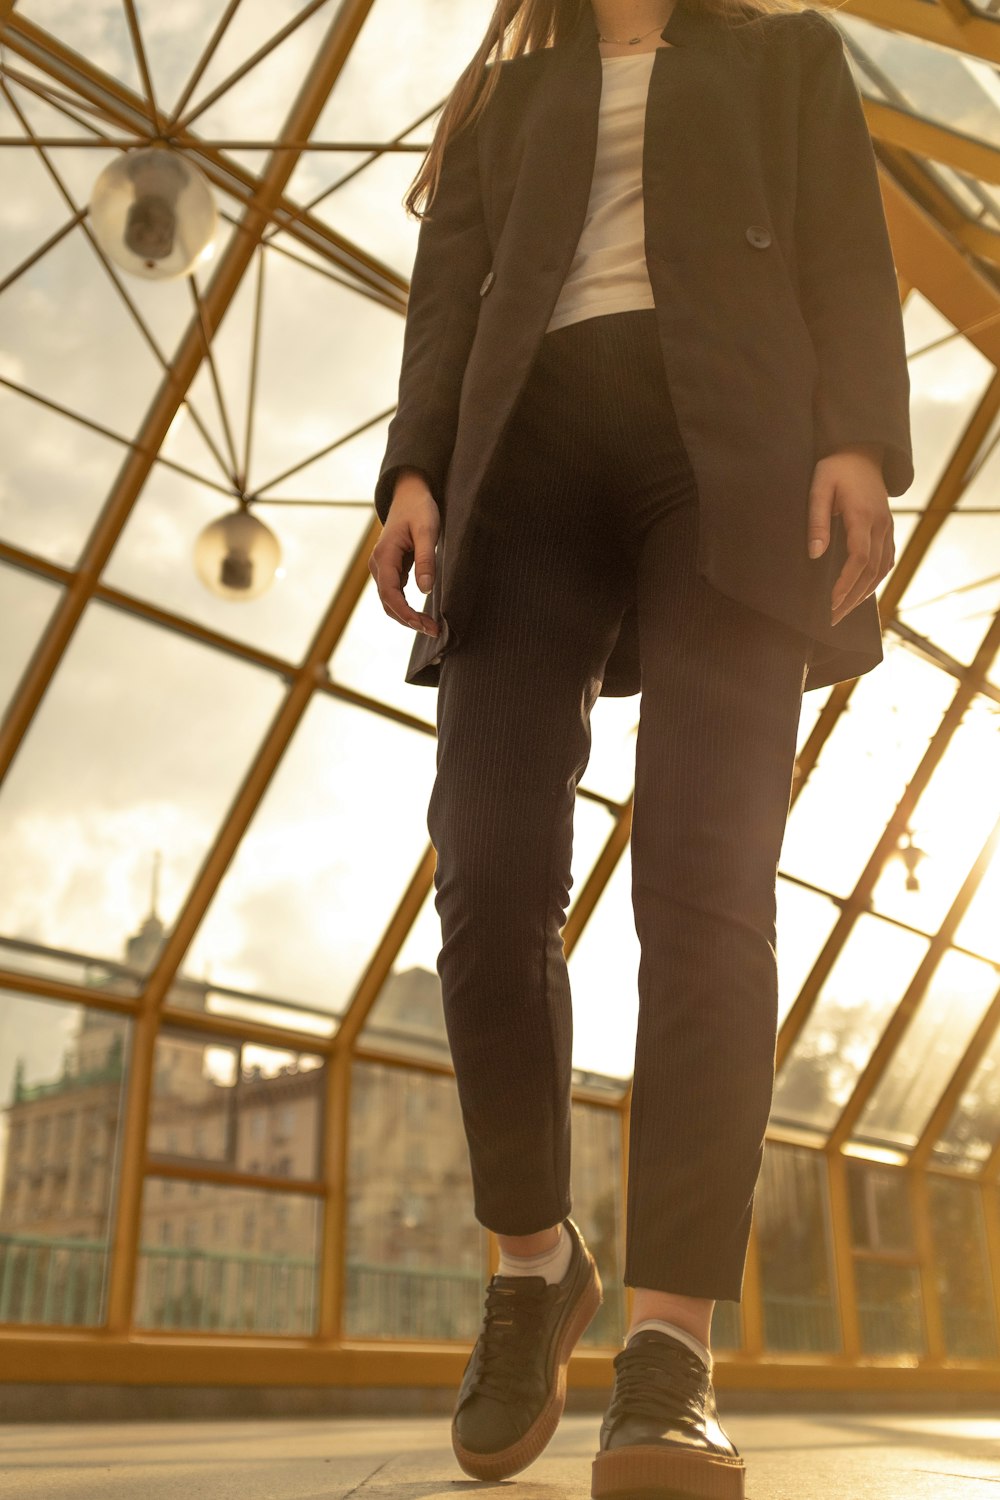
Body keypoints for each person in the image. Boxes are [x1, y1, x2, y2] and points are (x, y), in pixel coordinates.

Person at [368, 1, 912, 1496]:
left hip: (729, 454)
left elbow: (844, 253)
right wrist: (414, 466)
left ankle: (670, 1349)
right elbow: (448, 297)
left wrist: (860, 434)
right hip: (524, 460)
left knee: (706, 889)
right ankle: (534, 1264)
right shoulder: (504, 100)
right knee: (485, 877)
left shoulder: (782, 58)